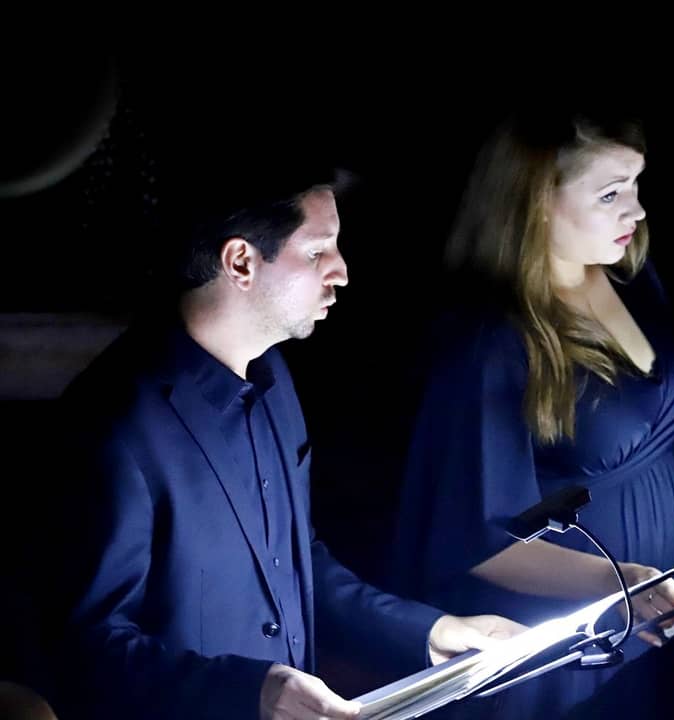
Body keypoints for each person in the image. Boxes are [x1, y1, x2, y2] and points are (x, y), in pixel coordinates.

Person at [48, 164, 523, 720]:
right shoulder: (116, 422)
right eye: (318, 251)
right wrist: (250, 691)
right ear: (241, 262)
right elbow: (85, 646)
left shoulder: (273, 379)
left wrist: (430, 631)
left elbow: (296, 562)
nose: (342, 272)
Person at [392, 108, 674, 718]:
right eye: (610, 194)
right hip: (563, 641)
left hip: (652, 620)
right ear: (537, 199)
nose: (636, 211)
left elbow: (663, 464)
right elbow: (473, 540)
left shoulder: (637, 282)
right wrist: (624, 582)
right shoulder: (488, 341)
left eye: (636, 185)